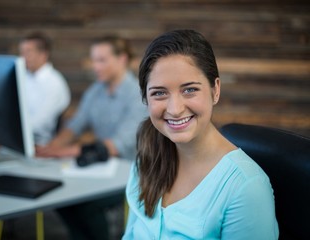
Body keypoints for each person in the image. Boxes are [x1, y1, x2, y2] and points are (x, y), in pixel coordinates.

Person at [123, 29, 279, 239]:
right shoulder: (147, 158)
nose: (175, 109)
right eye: (159, 93)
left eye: (189, 90)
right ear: (146, 99)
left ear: (215, 90)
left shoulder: (246, 187)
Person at [37, 36, 147, 240]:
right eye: (93, 60)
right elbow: (74, 126)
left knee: (85, 204)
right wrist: (49, 148)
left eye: (101, 60)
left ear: (122, 59)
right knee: (61, 199)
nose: (95, 66)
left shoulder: (138, 95)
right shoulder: (96, 90)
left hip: (133, 174)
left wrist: (63, 151)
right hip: (100, 168)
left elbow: (115, 146)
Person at [19, 32, 70, 145]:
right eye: (22, 52)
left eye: (28, 52)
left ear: (44, 54)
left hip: (40, 144)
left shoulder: (54, 82)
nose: (23, 57)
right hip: (19, 138)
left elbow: (40, 123)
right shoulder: (24, 77)